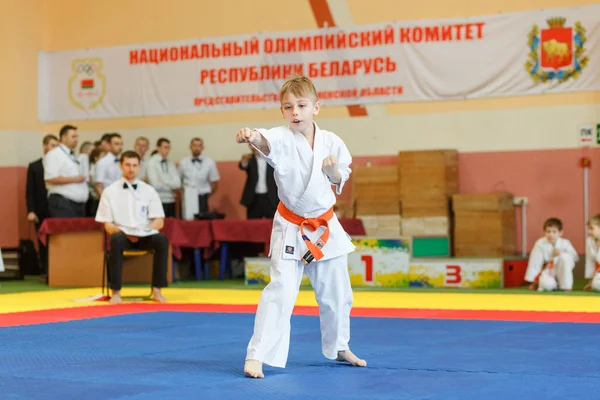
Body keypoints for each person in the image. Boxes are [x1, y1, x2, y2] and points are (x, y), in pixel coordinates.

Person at [235, 75, 366, 379]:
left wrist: (334, 172)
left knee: (338, 292)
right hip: (293, 224)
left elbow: (339, 176)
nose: (295, 112)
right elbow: (264, 139)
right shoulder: (281, 137)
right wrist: (251, 135)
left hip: (324, 226)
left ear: (315, 108)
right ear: (282, 111)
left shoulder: (332, 141)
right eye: (288, 107)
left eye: (302, 105)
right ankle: (257, 355)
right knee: (280, 290)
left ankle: (339, 346)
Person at [95, 151, 169, 304]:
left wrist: (143, 232)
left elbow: (159, 221)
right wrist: (125, 233)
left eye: (134, 165)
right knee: (115, 239)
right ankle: (115, 292)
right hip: (121, 234)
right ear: (121, 165)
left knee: (161, 239)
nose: (131, 169)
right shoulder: (110, 191)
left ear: (139, 167)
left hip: (145, 235)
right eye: (128, 165)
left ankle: (157, 290)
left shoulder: (149, 190)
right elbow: (107, 224)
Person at [524, 218, 578, 292]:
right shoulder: (540, 243)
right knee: (546, 285)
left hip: (563, 270)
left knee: (565, 257)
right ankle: (554, 285)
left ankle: (566, 287)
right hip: (549, 270)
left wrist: (561, 253)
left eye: (554, 232)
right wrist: (533, 281)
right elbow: (535, 263)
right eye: (548, 231)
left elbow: (575, 257)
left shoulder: (565, 243)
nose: (551, 234)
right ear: (544, 232)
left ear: (560, 233)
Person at [239, 144, 278, 219]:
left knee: (273, 223)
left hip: (270, 197)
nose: (254, 148)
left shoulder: (272, 159)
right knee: (252, 224)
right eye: (251, 146)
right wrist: (244, 161)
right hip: (254, 198)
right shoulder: (249, 159)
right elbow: (243, 166)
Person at [584, 215, 600, 292]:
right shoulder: (589, 241)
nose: (589, 231)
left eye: (591, 228)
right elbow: (590, 262)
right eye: (588, 229)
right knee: (596, 285)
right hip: (598, 272)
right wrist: (590, 282)